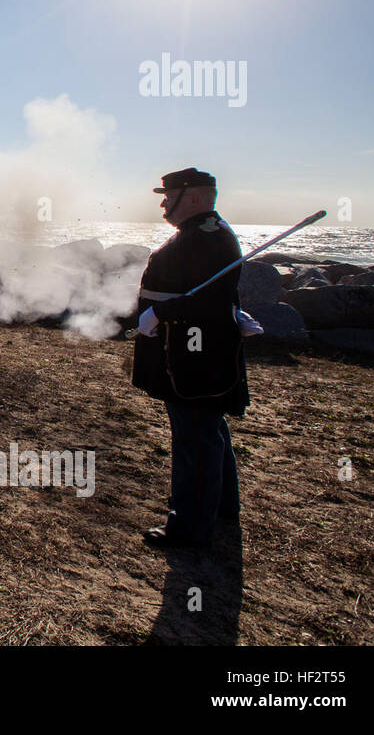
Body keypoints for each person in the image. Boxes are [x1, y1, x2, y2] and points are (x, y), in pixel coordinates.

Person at [131, 167, 247, 549]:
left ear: (193, 197)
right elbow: (212, 293)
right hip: (193, 353)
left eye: (169, 195)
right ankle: (221, 508)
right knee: (207, 430)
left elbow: (208, 300)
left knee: (194, 438)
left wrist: (162, 314)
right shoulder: (206, 234)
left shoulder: (205, 239)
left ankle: (189, 527)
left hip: (191, 358)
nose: (163, 202)